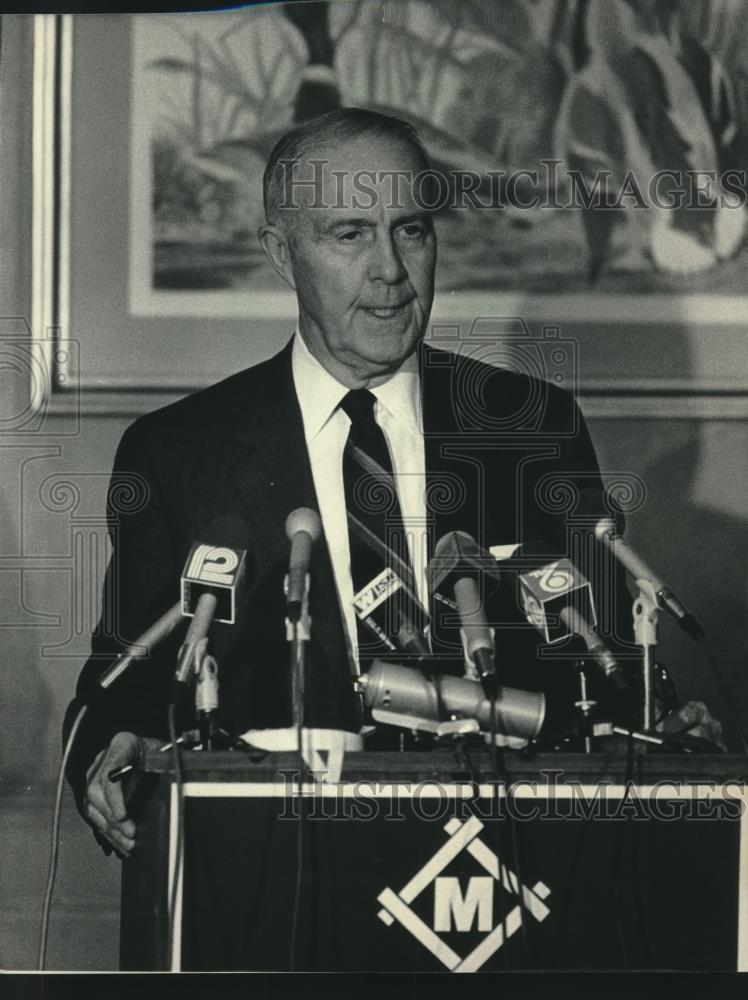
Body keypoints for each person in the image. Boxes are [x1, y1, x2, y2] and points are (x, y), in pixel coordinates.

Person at [63, 108, 722, 859]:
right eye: (350, 235)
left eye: (411, 229)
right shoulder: (177, 453)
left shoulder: (532, 428)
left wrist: (658, 729)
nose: (391, 270)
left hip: (505, 872)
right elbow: (118, 688)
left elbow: (600, 673)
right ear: (282, 254)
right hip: (280, 880)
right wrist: (102, 759)